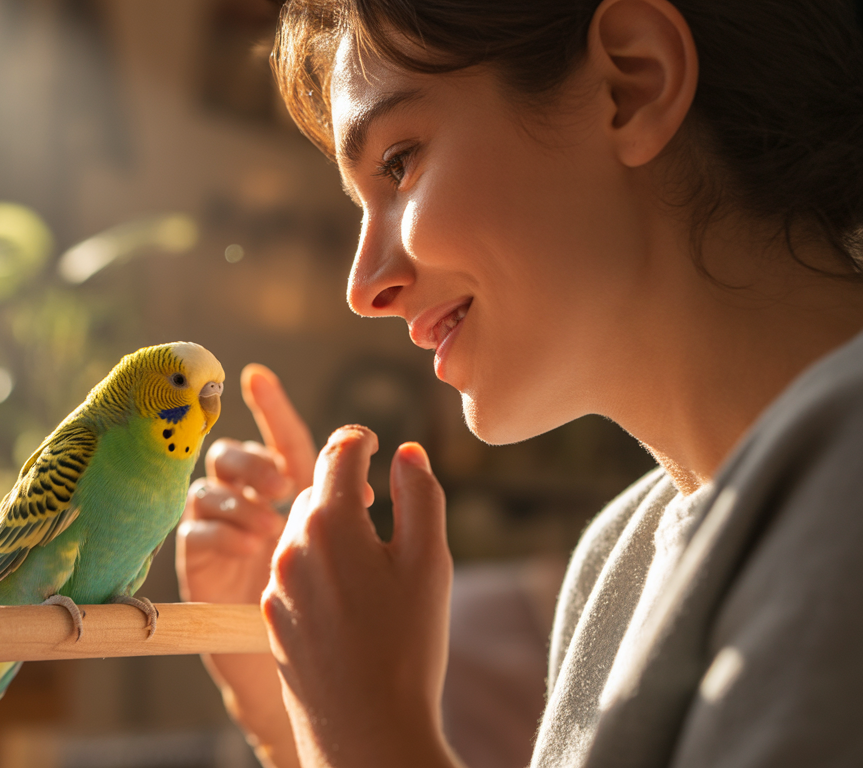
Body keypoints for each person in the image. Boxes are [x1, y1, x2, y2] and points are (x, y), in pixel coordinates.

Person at [174, 0, 863, 766]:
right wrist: (302, 707)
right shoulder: (616, 562)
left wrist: (366, 735)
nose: (364, 286)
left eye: (400, 163)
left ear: (632, 84)